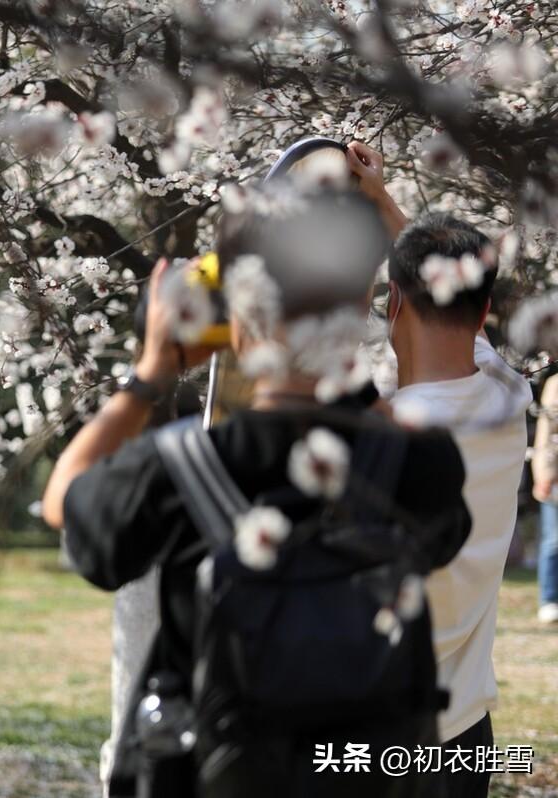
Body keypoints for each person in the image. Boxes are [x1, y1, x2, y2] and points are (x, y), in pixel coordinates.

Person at [43, 189, 472, 797]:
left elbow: (66, 501)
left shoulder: (178, 469)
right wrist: (341, 369)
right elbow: (441, 539)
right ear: (360, 306)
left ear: (232, 307)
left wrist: (150, 375)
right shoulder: (418, 463)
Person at [354, 152, 532, 798]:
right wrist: (386, 205)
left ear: (393, 298)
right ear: (484, 313)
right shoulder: (508, 397)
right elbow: (447, 300)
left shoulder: (381, 440)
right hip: (464, 736)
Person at [531, 374, 558, 624]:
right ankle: (549, 598)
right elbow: (546, 435)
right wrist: (545, 474)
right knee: (554, 540)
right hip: (557, 478)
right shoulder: (555, 385)